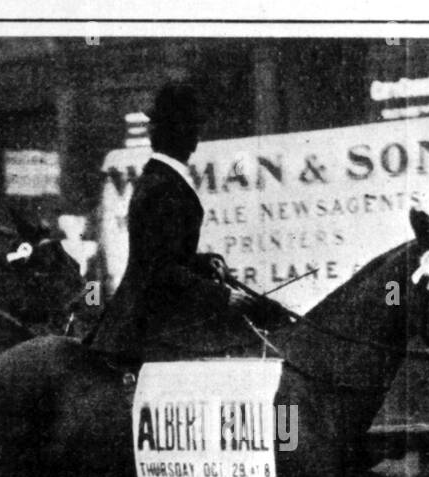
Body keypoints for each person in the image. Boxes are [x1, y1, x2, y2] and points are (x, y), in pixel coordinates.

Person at [87, 83, 289, 361]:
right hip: (150, 320)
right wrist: (222, 297)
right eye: (191, 127)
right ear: (176, 133)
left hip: (158, 311)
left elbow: (166, 257)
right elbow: (159, 268)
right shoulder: (162, 185)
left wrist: (204, 262)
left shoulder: (162, 179)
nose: (196, 136)